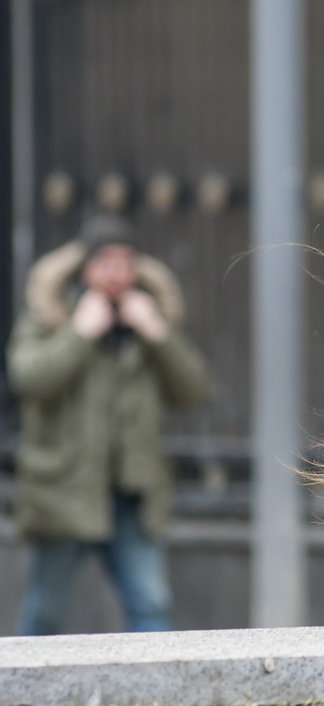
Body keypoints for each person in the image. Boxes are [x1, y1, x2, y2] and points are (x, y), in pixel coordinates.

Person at [7, 214, 211, 634]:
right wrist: (77, 334)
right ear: (85, 267)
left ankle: (159, 698)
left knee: (150, 604)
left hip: (130, 494)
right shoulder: (53, 313)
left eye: (125, 263)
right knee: (45, 609)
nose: (117, 274)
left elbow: (194, 389)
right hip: (65, 491)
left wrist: (158, 333)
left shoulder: (146, 319)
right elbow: (27, 377)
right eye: (105, 262)